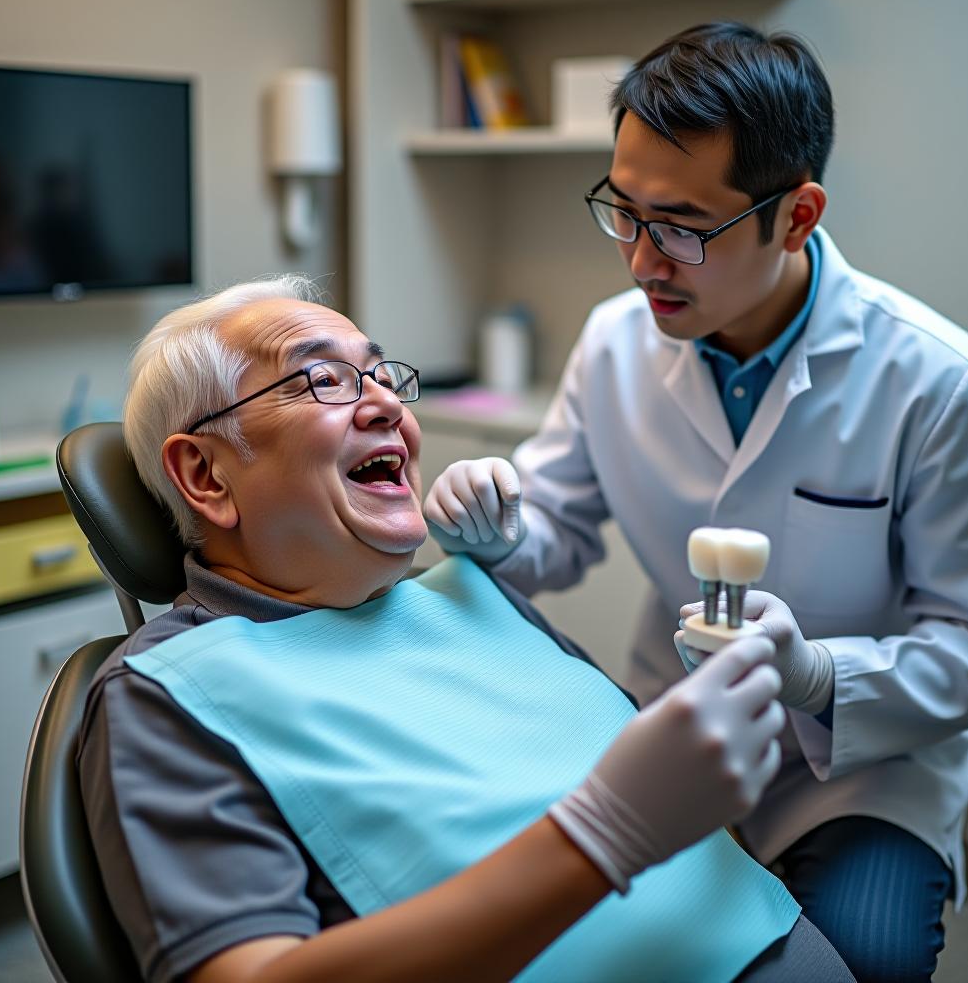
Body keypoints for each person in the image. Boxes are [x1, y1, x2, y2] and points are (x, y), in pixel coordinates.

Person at [424, 22, 968, 983]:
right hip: (669, 730)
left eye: (685, 226)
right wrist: (490, 525)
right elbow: (553, 533)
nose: (644, 261)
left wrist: (817, 674)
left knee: (858, 961)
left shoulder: (936, 379)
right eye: (624, 210)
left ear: (798, 215)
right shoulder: (615, 342)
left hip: (861, 775)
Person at [77, 275, 855, 983]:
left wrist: (783, 683)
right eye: (321, 380)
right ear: (207, 476)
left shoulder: (473, 592)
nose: (386, 405)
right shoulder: (165, 697)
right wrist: (605, 835)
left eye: (382, 376)